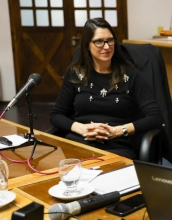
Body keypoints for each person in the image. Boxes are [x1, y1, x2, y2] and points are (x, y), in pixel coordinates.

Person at [50, 18, 163, 159]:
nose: (107, 46)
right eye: (99, 41)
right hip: (79, 144)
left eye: (110, 40)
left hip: (117, 147)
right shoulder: (74, 74)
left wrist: (117, 131)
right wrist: (82, 129)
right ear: (87, 46)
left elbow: (155, 117)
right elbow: (56, 115)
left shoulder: (131, 75)